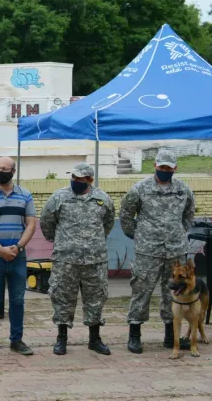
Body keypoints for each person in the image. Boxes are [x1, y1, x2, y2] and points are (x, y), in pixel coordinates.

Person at [121, 149, 195, 354]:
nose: (165, 170)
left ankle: (171, 337)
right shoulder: (139, 189)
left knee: (173, 293)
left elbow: (189, 214)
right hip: (148, 251)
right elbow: (126, 215)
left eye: (168, 168)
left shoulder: (183, 189)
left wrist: (179, 233)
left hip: (175, 252)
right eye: (161, 166)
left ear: (175, 168)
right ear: (155, 165)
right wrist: (139, 236)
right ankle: (134, 335)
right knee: (141, 291)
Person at [40, 162, 115, 356]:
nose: (75, 181)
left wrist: (93, 242)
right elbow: (47, 223)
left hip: (95, 260)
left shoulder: (102, 199)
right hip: (66, 260)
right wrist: (62, 242)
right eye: (73, 177)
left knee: (96, 299)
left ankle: (95, 339)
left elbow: (107, 224)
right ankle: (61, 338)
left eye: (80, 178)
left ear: (90, 180)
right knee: (62, 297)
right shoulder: (59, 197)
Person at [0, 156, 36, 357]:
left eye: (5, 168)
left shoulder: (25, 195)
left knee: (18, 300)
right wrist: (0, 249)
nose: (1, 171)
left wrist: (18, 247)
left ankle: (16, 340)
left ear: (13, 171)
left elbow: (31, 224)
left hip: (18, 257)